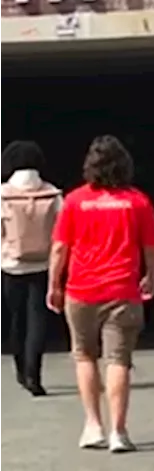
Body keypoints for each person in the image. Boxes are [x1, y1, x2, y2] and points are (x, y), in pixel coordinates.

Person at [46, 135, 154, 453]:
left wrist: (54, 284)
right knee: (118, 360)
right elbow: (151, 246)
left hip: (81, 289)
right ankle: (119, 431)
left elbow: (59, 248)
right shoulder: (138, 201)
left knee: (84, 355)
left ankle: (93, 425)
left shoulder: (75, 200)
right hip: (123, 289)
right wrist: (151, 276)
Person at [0, 140, 61, 397]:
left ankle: (20, 370)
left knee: (16, 320)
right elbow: (63, 233)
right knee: (38, 319)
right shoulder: (53, 194)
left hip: (11, 263)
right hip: (44, 263)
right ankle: (34, 374)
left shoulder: (2, 193)